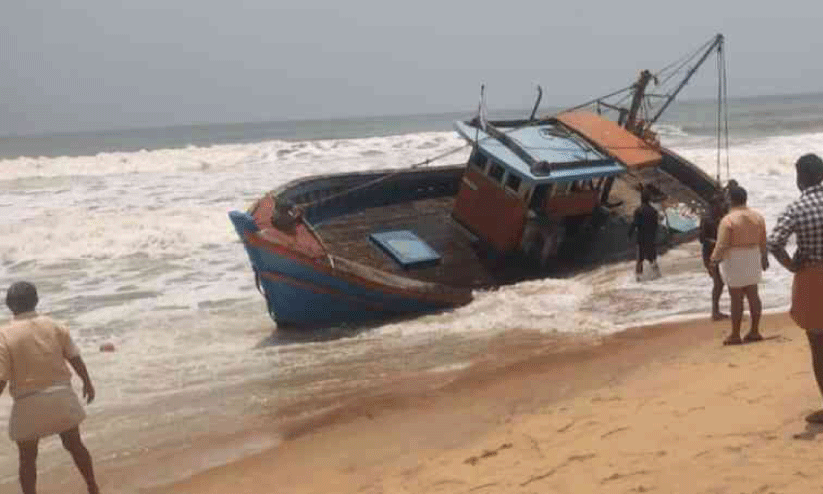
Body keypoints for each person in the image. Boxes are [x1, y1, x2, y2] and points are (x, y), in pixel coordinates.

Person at [0, 282, 99, 494]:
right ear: (36, 301)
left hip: (28, 404)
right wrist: (87, 382)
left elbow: (1, 378)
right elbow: (74, 357)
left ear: (9, 305)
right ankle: (92, 486)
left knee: (27, 458)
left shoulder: (4, 335)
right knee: (75, 445)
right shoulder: (55, 325)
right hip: (61, 397)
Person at [767, 153, 823, 423]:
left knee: (819, 345)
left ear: (801, 177)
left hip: (813, 279)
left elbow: (775, 243)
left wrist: (791, 266)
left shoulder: (797, 208)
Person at [710, 184, 769, 345]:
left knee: (736, 298)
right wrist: (764, 257)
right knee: (753, 295)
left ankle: (735, 335)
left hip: (734, 258)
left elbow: (722, 245)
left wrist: (714, 259)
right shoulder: (758, 217)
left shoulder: (728, 220)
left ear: (730, 200)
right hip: (753, 255)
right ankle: (755, 331)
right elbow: (764, 241)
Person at [700, 195, 729, 320]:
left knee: (720, 283)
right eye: (719, 205)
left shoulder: (720, 217)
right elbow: (701, 239)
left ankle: (716, 311)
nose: (721, 208)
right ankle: (715, 312)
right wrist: (716, 242)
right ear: (714, 206)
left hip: (719, 254)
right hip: (709, 255)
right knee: (718, 283)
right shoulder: (707, 219)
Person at [628, 186, 661, 281]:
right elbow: (656, 225)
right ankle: (658, 276)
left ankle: (638, 279)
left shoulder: (638, 210)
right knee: (652, 259)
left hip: (641, 238)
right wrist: (654, 236)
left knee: (640, 260)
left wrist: (629, 235)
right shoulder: (654, 211)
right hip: (651, 238)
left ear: (641, 198)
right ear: (649, 199)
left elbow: (634, 224)